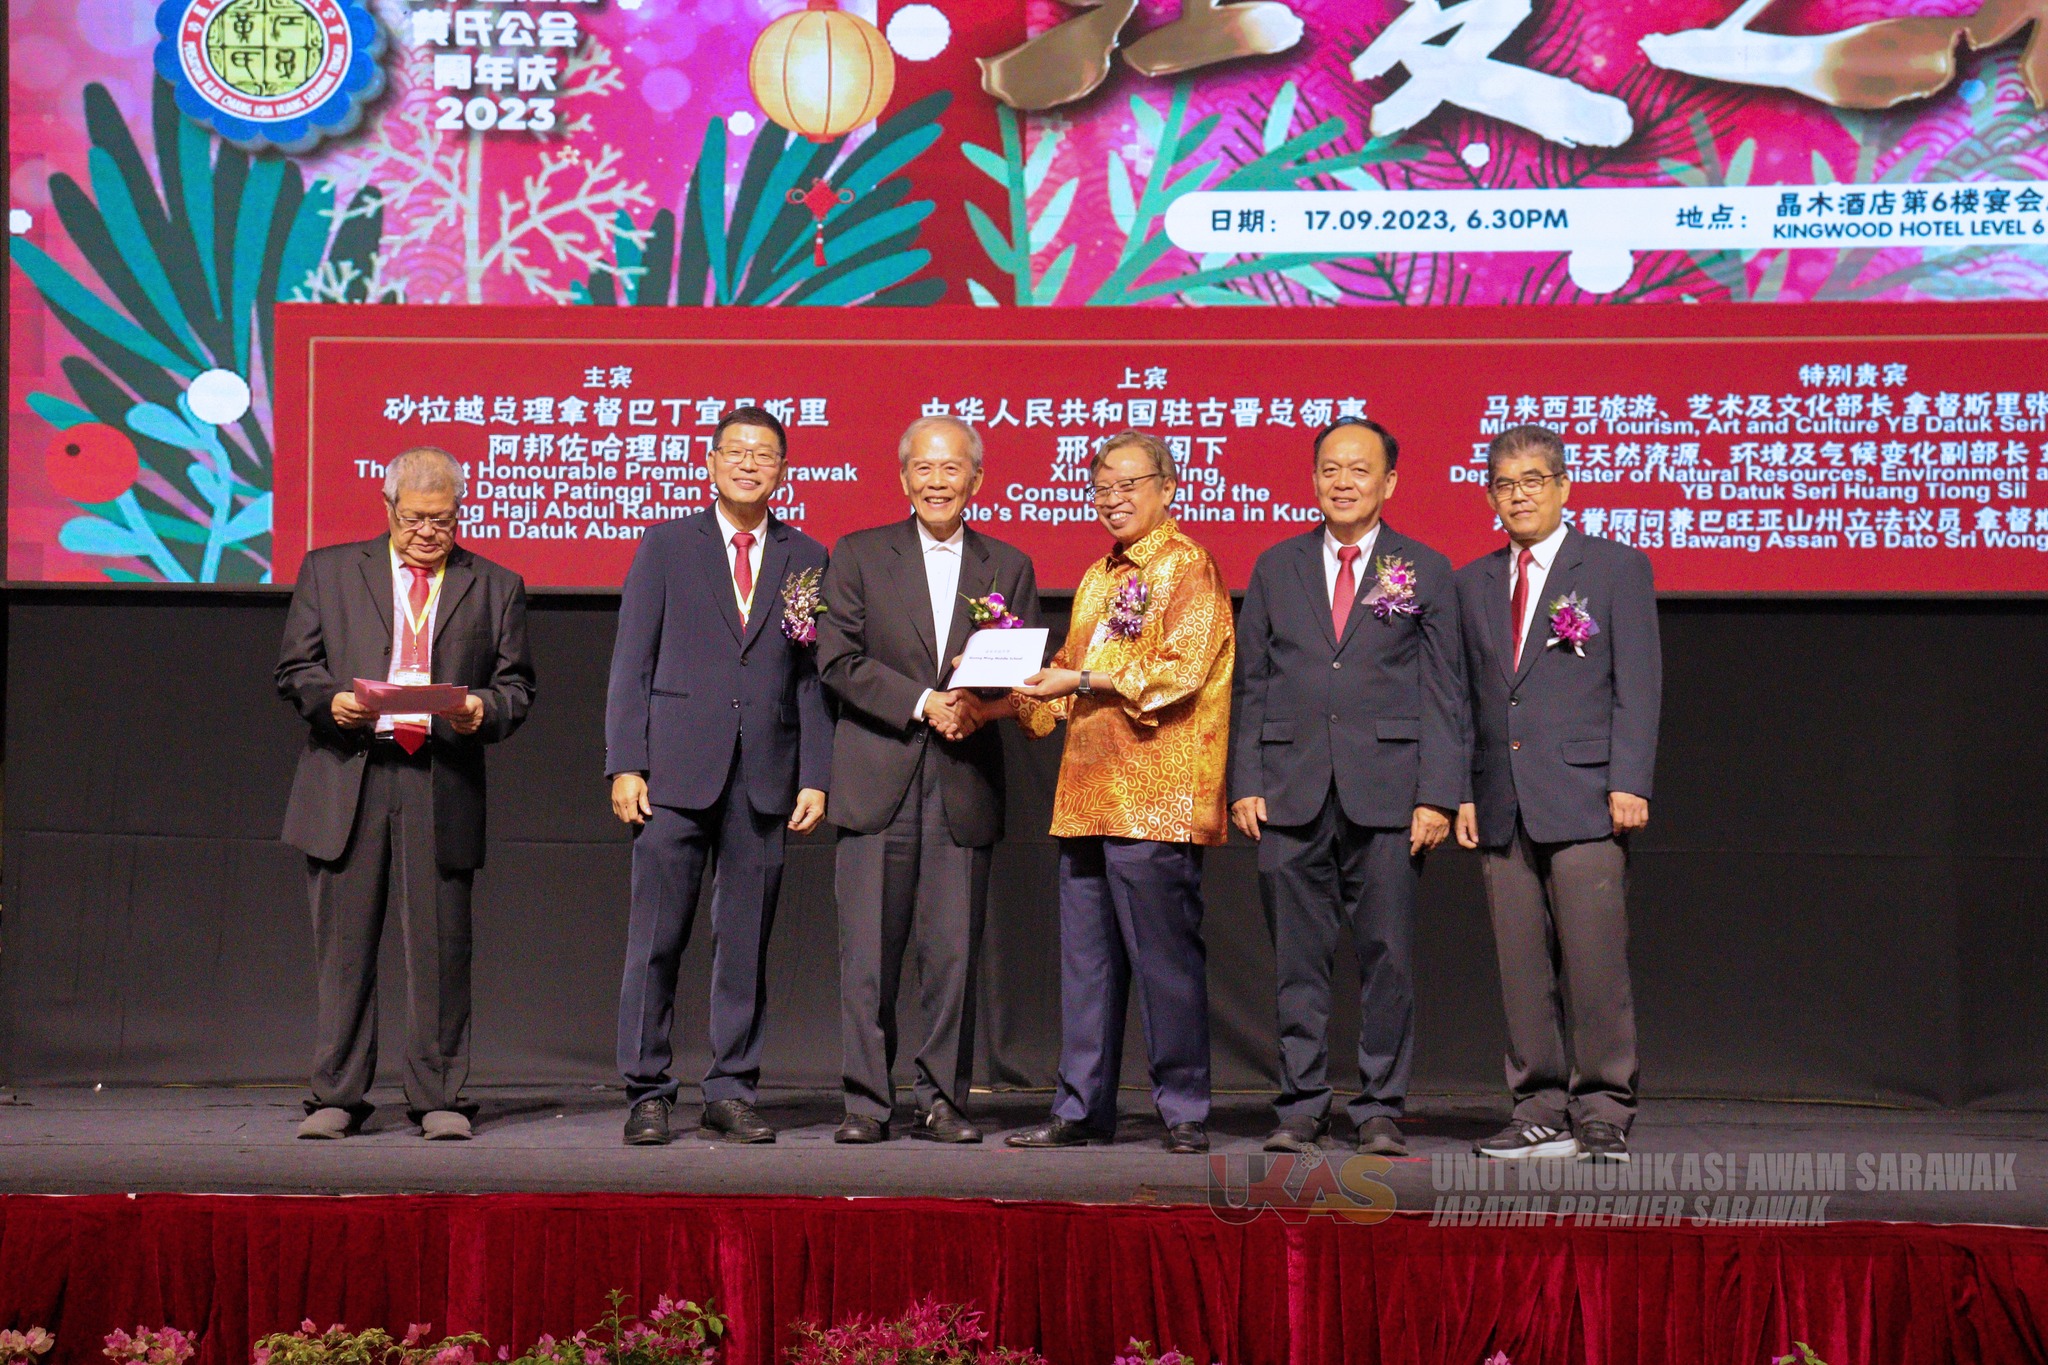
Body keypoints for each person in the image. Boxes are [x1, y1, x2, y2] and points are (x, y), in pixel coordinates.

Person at [276, 446, 536, 1141]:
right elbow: (296, 668)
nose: (428, 532)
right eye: (415, 517)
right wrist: (330, 700)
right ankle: (336, 1095)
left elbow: (517, 687)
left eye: (443, 519)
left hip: (439, 776)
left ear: (460, 513)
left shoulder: (495, 585)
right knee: (344, 948)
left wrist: (483, 708)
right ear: (388, 507)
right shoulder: (330, 571)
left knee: (441, 948)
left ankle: (439, 1096)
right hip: (351, 773)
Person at [1230, 417, 1463, 1157]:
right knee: (1297, 962)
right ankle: (1300, 1104)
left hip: (1389, 791)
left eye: (1359, 470)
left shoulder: (1423, 567)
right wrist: (1246, 779)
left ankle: (1381, 1106)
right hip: (1289, 788)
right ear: (1313, 479)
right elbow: (1252, 682)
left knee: (1386, 958)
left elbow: (1445, 691)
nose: (1343, 482)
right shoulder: (1277, 565)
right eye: (1330, 468)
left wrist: (1437, 794)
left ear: (1389, 482)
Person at [605, 406, 831, 1146]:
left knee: (745, 943)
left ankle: (732, 1088)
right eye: (735, 451)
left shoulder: (806, 556)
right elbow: (632, 661)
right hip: (671, 773)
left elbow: (811, 677)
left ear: (783, 470)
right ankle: (647, 1089)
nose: (748, 464)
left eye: (763, 454)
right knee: (656, 938)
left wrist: (815, 774)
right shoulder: (668, 544)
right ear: (709, 462)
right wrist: (626, 762)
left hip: (764, 776)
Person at [1005, 431, 1235, 1155]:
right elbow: (1068, 670)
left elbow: (1180, 671)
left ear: (1168, 487)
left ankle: (1183, 1109)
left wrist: (1078, 680)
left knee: (1165, 964)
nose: (1112, 500)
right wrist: (1005, 688)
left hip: (1155, 800)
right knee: (1088, 968)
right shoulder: (1098, 577)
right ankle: (1081, 1107)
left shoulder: (1188, 564)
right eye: (1101, 488)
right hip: (1086, 798)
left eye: (1128, 485)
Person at [816, 416, 1043, 1144]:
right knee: (867, 956)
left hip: (963, 778)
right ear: (903, 477)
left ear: (976, 479)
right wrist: (923, 701)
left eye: (952, 469)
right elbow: (837, 659)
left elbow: (1023, 671)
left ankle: (943, 1098)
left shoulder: (1008, 564)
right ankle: (865, 1102)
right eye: (924, 468)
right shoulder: (857, 554)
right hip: (877, 775)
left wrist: (978, 702)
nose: (937, 482)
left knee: (952, 954)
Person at [1453, 423, 1661, 1164]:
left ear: (1564, 487)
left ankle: (1603, 1106)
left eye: (1533, 480)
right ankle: (1538, 1107)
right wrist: (1462, 790)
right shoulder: (1472, 583)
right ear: (1490, 497)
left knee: (1596, 959)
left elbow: (1638, 681)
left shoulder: (1613, 567)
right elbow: (1463, 697)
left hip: (1586, 794)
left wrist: (1628, 779)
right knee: (1521, 966)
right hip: (1500, 798)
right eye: (1504, 485)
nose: (1519, 496)